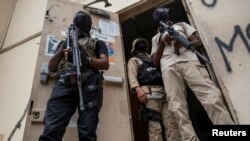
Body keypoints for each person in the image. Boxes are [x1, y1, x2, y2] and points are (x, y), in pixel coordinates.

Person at [151, 8, 234, 141]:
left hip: (190, 62)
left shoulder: (182, 25)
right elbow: (155, 61)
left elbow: (198, 42)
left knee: (211, 98)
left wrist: (183, 42)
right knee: (177, 108)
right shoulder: (155, 38)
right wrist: (162, 42)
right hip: (168, 68)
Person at [39, 11, 109, 141]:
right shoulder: (64, 43)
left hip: (90, 84)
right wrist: (64, 48)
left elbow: (105, 64)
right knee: (51, 130)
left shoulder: (98, 43)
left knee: (87, 132)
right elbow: (51, 67)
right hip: (64, 83)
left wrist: (86, 60)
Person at [127, 38, 182, 141]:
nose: (142, 43)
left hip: (165, 94)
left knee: (171, 125)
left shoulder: (154, 58)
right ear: (135, 48)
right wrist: (138, 90)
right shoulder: (134, 60)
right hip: (149, 95)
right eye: (139, 43)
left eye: (143, 42)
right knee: (155, 128)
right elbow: (132, 76)